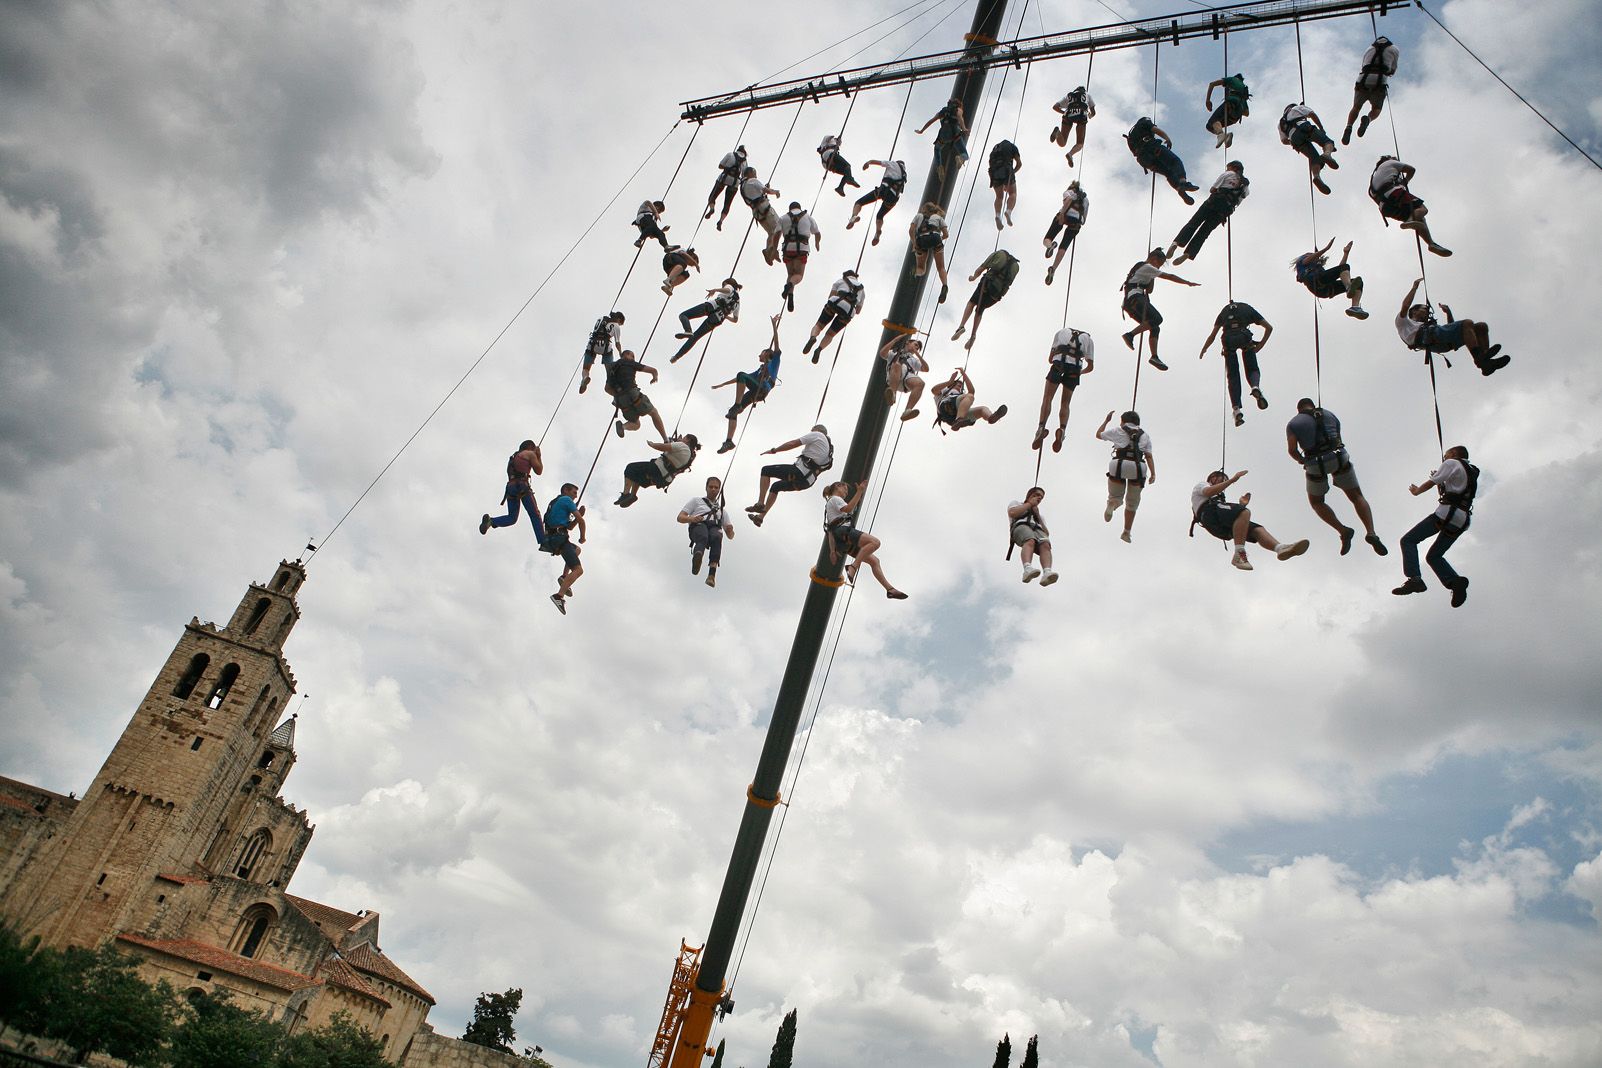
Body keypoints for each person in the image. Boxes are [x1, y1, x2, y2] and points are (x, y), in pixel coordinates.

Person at [1285, 399, 1387, 556]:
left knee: (1317, 502)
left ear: (1298, 409)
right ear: (1312, 405)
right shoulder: (1330, 414)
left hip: (1316, 463)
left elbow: (1292, 450)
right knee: (1357, 496)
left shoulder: (1293, 423)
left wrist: (1302, 461)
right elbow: (1338, 437)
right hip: (1339, 458)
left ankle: (1343, 530)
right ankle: (1371, 532)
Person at [1393, 444, 1477, 607]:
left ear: (1453, 453)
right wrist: (1442, 482)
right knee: (1434, 556)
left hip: (1445, 514)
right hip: (1461, 519)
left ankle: (1414, 579)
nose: (1444, 459)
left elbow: (1432, 482)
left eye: (1446, 455)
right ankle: (1455, 582)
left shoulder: (1451, 463)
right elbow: (1454, 490)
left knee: (1408, 541)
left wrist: (1417, 491)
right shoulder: (1471, 470)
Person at [1190, 469, 1309, 570]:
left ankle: (1279, 548)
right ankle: (1239, 554)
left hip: (1218, 524)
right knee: (1243, 512)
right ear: (1213, 477)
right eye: (1222, 479)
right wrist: (1232, 480)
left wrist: (1241, 505)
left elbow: (1234, 518)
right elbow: (1209, 491)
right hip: (1209, 514)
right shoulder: (1202, 485)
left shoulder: (1219, 500)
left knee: (1256, 529)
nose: (1224, 482)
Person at [1395, 278, 1511, 376]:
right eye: (1424, 309)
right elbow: (1405, 305)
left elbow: (1453, 329)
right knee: (1467, 322)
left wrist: (1448, 313)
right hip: (1433, 339)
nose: (1427, 313)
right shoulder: (1404, 322)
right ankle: (1480, 358)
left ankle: (1486, 362)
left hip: (1442, 342)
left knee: (1481, 327)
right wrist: (1415, 287)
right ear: (1414, 312)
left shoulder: (1426, 326)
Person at [823, 479, 907, 599]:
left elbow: (830, 530)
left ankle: (890, 589)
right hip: (844, 532)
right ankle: (853, 567)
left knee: (874, 561)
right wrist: (859, 492)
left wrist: (832, 551)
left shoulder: (829, 506)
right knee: (875, 542)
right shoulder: (835, 499)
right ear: (837, 486)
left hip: (840, 541)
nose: (846, 493)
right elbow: (848, 508)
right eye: (845, 490)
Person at [711, 314, 783, 453]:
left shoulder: (774, 362)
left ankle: (737, 405)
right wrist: (722, 384)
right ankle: (729, 441)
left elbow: (776, 344)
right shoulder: (760, 370)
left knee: (741, 376)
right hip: (755, 391)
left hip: (762, 389)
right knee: (733, 414)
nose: (759, 355)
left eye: (761, 353)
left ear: (767, 354)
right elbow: (740, 379)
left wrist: (774, 325)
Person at [1120, 248, 1199, 370]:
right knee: (1157, 318)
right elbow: (1170, 276)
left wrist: (1153, 276)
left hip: (1130, 303)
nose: (1159, 268)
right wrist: (1187, 282)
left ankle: (1154, 356)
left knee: (1155, 327)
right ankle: (1130, 335)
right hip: (1135, 297)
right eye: (1159, 264)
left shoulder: (1147, 271)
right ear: (1154, 259)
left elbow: (1149, 290)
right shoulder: (1146, 266)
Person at [1197, 300, 1273, 426]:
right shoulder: (1248, 308)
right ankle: (1255, 386)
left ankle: (1236, 409)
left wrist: (1204, 348)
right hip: (1244, 337)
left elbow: (1213, 335)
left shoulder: (1224, 311)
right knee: (1252, 368)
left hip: (1228, 340)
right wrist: (1260, 346)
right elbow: (1269, 328)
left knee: (1233, 376)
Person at [747, 425, 833, 527]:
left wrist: (774, 450)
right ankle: (760, 518)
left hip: (800, 472)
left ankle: (760, 503)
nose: (810, 432)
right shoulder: (829, 451)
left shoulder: (817, 435)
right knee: (776, 486)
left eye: (812, 430)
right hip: (806, 482)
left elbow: (793, 443)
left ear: (816, 430)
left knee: (766, 470)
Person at [1166, 160, 1248, 265]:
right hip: (1223, 212)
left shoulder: (1228, 174)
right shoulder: (1246, 187)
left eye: (1228, 167)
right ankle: (1188, 253)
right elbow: (1237, 203)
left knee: (1194, 223)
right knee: (1204, 232)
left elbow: (1213, 189)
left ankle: (1176, 243)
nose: (1227, 169)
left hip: (1213, 202)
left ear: (1233, 168)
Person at [1369, 156, 1451, 257]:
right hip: (1393, 193)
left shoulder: (1374, 177)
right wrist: (1405, 181)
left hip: (1385, 207)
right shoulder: (1390, 163)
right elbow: (1411, 170)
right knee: (1422, 209)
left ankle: (1431, 243)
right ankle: (1411, 222)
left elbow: (1373, 196)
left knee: (1419, 218)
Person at [1096, 410, 1153, 543]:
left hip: (1118, 465)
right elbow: (1149, 456)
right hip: (1138, 468)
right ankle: (1126, 532)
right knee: (1132, 503)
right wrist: (1153, 473)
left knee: (1116, 496)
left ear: (1123, 421)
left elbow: (1098, 435)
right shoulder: (1145, 435)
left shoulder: (1118, 430)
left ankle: (1112, 503)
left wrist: (1106, 421)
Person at [1034, 326, 1094, 452]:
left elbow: (1050, 359)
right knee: (1065, 403)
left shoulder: (1061, 332)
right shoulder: (1088, 339)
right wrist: (1080, 373)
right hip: (1074, 370)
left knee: (1047, 398)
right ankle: (1062, 429)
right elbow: (1090, 366)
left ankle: (1041, 427)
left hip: (1058, 365)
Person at [950, 249, 1020, 351]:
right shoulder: (1016, 267)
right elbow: (1009, 283)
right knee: (980, 310)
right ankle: (973, 336)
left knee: (972, 302)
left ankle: (961, 326)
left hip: (986, 285)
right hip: (996, 294)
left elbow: (982, 268)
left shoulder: (1000, 253)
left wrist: (973, 277)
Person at [480, 439, 547, 541]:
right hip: (522, 486)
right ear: (530, 447)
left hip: (510, 487)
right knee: (534, 514)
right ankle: (543, 540)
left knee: (512, 518)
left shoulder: (514, 457)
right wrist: (539, 456)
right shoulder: (530, 454)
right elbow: (539, 471)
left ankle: (491, 521)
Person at [1125, 117, 1199, 204]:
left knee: (1168, 173)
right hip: (1152, 147)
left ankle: (1179, 188)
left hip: (1143, 160)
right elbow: (1156, 130)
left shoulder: (1131, 135)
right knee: (1175, 161)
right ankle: (1183, 183)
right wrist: (1167, 139)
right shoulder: (1145, 122)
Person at [678, 476, 735, 588]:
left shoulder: (722, 511)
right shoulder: (696, 501)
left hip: (714, 527)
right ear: (706, 488)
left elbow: (730, 535)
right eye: (711, 487)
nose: (713, 489)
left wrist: (730, 530)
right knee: (703, 534)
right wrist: (692, 519)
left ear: (719, 490)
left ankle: (711, 575)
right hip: (698, 525)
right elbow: (680, 517)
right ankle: (698, 557)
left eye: (716, 487)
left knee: (717, 536)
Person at [616, 433, 700, 508]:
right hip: (665, 479)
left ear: (688, 440)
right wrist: (674, 442)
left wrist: (652, 444)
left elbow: (663, 447)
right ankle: (633, 495)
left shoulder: (683, 446)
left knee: (631, 468)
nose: (682, 439)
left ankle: (626, 494)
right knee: (638, 476)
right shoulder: (689, 456)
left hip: (658, 469)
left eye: (684, 438)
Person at [1343, 35, 1399, 145]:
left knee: (1356, 107)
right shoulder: (1394, 49)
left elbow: (1364, 65)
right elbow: (1393, 69)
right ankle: (1367, 120)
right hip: (1379, 81)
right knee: (1376, 109)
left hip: (1363, 79)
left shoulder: (1369, 49)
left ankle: (1349, 127)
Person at [1292, 239, 1367, 319]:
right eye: (1310, 255)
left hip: (1325, 290)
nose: (1314, 256)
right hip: (1315, 281)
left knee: (1359, 283)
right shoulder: (1301, 263)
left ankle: (1355, 307)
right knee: (1346, 270)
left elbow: (1341, 270)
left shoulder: (1319, 269)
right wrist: (1326, 248)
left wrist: (1346, 253)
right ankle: (1348, 288)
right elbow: (1310, 258)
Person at [672, 278, 741, 362]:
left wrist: (715, 290)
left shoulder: (730, 286)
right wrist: (725, 316)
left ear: (726, 283)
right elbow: (735, 320)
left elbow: (727, 290)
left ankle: (688, 330)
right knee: (695, 337)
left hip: (711, 306)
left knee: (683, 315)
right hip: (717, 319)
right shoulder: (738, 302)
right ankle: (676, 357)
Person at [802, 269, 865, 361]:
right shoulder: (862, 290)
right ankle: (819, 349)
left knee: (819, 325)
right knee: (830, 334)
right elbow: (858, 311)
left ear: (845, 276)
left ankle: (813, 337)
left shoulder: (841, 281)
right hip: (849, 311)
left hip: (835, 302)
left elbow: (830, 296)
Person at [543, 483, 587, 615]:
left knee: (577, 550)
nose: (575, 496)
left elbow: (569, 527)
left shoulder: (555, 502)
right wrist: (582, 537)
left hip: (553, 537)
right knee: (578, 570)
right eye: (573, 492)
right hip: (559, 538)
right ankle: (559, 596)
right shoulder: (566, 500)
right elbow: (580, 522)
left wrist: (580, 514)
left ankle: (564, 577)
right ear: (565, 490)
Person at [1279, 103, 1340, 194]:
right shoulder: (1297, 108)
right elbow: (1312, 114)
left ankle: (1316, 177)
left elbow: (1284, 140)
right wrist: (1321, 129)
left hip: (1294, 139)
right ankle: (1327, 154)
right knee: (1327, 142)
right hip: (1304, 127)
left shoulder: (1280, 123)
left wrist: (1292, 142)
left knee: (1314, 158)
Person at [845, 159, 909, 246]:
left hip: (884, 191)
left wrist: (868, 162)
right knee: (880, 215)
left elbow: (878, 162)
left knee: (859, 202)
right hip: (893, 199)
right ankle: (878, 232)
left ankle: (854, 217)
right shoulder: (904, 175)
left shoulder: (893, 164)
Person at [605, 351, 667, 440]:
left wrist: (617, 395)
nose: (634, 358)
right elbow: (653, 370)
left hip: (621, 401)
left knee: (636, 424)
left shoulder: (612, 369)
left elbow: (607, 389)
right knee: (653, 412)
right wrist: (655, 377)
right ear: (625, 355)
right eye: (632, 356)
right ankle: (665, 439)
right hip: (633, 393)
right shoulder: (629, 363)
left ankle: (623, 427)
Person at [774, 202, 820, 311]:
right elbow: (817, 233)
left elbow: (776, 234)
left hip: (788, 249)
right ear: (799, 207)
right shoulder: (808, 217)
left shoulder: (783, 218)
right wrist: (817, 244)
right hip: (802, 249)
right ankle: (790, 285)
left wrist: (774, 249)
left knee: (790, 274)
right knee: (798, 275)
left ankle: (790, 295)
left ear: (790, 209)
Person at [1008, 488, 1058, 586]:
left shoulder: (1039, 515)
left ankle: (1047, 572)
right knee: (1030, 540)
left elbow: (1046, 533)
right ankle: (1027, 568)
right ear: (1030, 495)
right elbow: (1012, 513)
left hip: (1037, 530)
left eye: (1041, 497)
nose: (1039, 498)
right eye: (1037, 495)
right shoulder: (1017, 503)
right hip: (1021, 527)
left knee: (1045, 544)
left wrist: (1037, 515)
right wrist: (1029, 504)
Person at [931, 367, 1007, 431]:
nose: (960, 386)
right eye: (958, 384)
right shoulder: (945, 391)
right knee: (970, 396)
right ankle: (959, 419)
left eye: (961, 386)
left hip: (954, 418)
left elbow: (972, 391)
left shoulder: (961, 396)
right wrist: (950, 381)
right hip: (947, 407)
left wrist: (964, 374)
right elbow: (934, 390)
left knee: (982, 409)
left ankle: (991, 417)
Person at [1044, 181, 1089, 286]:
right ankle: (1053, 268)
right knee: (1063, 247)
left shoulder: (1068, 192)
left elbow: (1067, 202)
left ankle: (1050, 246)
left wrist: (1062, 214)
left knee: (1047, 238)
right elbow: (1084, 219)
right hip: (1077, 222)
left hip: (1065, 215)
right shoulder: (1086, 200)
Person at [879, 335, 928, 422]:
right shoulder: (894, 353)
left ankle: (907, 411)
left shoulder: (913, 359)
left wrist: (917, 354)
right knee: (897, 365)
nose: (917, 347)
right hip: (894, 376)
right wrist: (894, 340)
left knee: (920, 383)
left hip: (906, 380)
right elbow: (882, 353)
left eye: (918, 347)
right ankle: (892, 394)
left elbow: (926, 369)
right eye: (915, 344)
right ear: (908, 343)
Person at [909, 203, 951, 303]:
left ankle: (915, 274)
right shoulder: (938, 217)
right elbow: (946, 234)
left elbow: (911, 230)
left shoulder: (918, 216)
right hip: (935, 237)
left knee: (921, 267)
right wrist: (939, 239)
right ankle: (944, 285)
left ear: (924, 210)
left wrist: (914, 244)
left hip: (921, 239)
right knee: (941, 267)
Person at [917, 97, 969, 177]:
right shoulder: (958, 109)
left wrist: (922, 130)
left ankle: (939, 167)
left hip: (943, 135)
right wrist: (964, 128)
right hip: (955, 134)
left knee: (937, 149)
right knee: (965, 154)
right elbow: (960, 117)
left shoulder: (943, 111)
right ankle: (961, 158)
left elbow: (931, 121)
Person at [739, 167, 784, 257]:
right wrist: (776, 192)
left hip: (756, 212)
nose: (756, 175)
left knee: (771, 232)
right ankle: (772, 250)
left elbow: (756, 195)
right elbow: (766, 190)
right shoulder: (753, 180)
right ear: (750, 173)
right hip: (764, 208)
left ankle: (768, 250)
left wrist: (765, 190)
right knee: (780, 226)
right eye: (755, 173)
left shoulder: (743, 185)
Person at [579, 311, 625, 394]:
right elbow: (617, 343)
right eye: (620, 323)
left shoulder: (600, 318)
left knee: (586, 368)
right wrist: (621, 353)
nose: (620, 325)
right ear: (619, 319)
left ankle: (585, 378)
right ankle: (613, 385)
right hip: (605, 347)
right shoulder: (616, 326)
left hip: (592, 344)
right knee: (610, 370)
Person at [704, 144, 748, 230]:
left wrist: (728, 167)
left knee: (713, 196)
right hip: (735, 182)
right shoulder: (745, 161)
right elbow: (744, 176)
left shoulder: (730, 154)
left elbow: (720, 166)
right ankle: (721, 221)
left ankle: (712, 209)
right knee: (727, 204)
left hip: (724, 178)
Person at [1050, 85, 1096, 166]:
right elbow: (1093, 112)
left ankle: (1057, 133)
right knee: (1080, 143)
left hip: (1068, 114)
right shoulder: (1087, 95)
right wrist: (1090, 116)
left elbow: (1055, 107)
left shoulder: (1069, 95)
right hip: (1082, 115)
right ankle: (1070, 154)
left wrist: (1063, 112)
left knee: (1062, 143)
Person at [1204, 72, 1252, 147]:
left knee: (1211, 123)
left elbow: (1212, 84)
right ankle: (1225, 136)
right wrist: (1237, 108)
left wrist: (1208, 101)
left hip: (1230, 103)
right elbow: (1247, 113)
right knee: (1212, 126)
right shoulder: (1243, 92)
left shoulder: (1233, 79)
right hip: (1235, 116)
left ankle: (1221, 135)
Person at [988, 138, 1023, 229]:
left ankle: (997, 215)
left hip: (994, 172)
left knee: (999, 197)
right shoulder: (1013, 147)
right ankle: (1008, 211)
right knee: (1012, 193)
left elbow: (990, 165)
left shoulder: (995, 150)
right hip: (1006, 170)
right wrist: (1012, 172)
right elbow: (1019, 164)